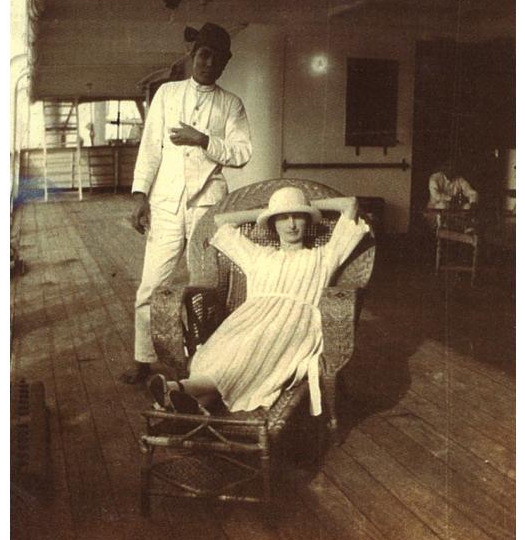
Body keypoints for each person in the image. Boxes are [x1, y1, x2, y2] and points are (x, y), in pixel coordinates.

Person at [146, 186, 369, 417]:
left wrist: (306, 206)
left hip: (292, 326)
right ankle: (193, 405)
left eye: (298, 217)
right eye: (283, 218)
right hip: (249, 318)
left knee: (248, 353)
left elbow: (350, 203)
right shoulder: (258, 255)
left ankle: (176, 388)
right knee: (221, 355)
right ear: (272, 224)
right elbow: (221, 220)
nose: (291, 224)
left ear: (308, 220)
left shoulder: (325, 255)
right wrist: (269, 211)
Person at [122, 23, 253, 384]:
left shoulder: (231, 105)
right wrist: (139, 197)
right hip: (165, 205)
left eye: (216, 58)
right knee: (152, 284)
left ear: (225, 63)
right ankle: (143, 359)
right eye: (203, 55)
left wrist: (204, 139)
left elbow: (242, 153)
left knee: (205, 285)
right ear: (193, 56)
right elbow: (150, 149)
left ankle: (203, 359)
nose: (208, 63)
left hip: (207, 208)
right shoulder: (166, 94)